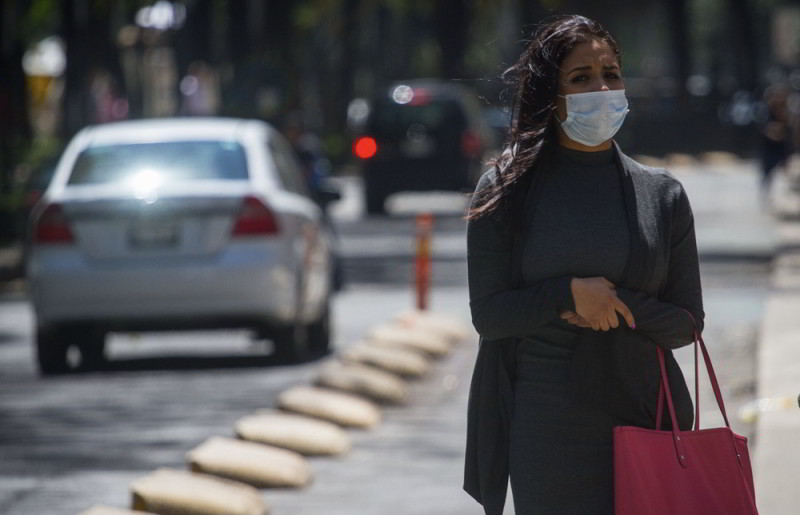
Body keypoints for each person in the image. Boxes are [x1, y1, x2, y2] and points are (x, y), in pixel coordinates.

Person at [463, 15, 704, 515]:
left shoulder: (662, 195)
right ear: (550, 96)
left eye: (611, 74)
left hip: (648, 418)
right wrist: (566, 295)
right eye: (581, 78)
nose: (602, 89)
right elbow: (489, 315)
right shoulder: (504, 191)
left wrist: (617, 306)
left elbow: (687, 324)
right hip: (548, 432)